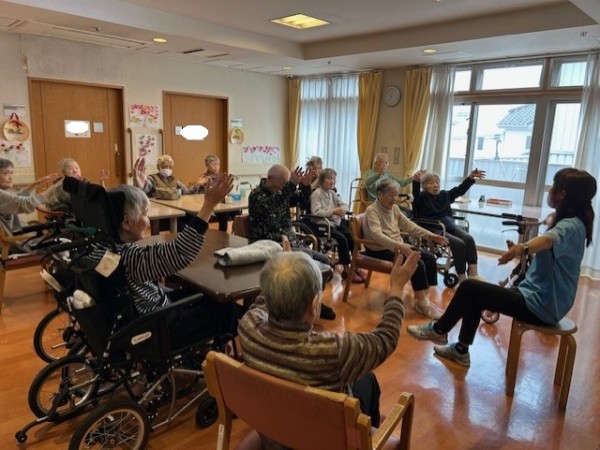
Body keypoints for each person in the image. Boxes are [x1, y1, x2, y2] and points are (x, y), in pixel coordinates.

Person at [407, 168, 596, 367]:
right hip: (540, 300)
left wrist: (520, 248)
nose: (549, 190)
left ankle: (439, 330)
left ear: (562, 194)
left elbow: (549, 240)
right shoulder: (574, 222)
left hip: (541, 306)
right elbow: (551, 239)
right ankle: (461, 350)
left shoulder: (570, 226)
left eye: (553, 187)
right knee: (476, 293)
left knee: (470, 287)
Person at [238, 244, 421, 448]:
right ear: (313, 305)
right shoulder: (334, 352)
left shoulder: (248, 327)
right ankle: (371, 430)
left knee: (365, 379)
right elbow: (385, 339)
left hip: (274, 438)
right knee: (367, 381)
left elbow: (262, 302)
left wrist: (283, 273)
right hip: (325, 443)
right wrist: (396, 289)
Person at [85, 175, 238, 350]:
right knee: (225, 306)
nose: (148, 221)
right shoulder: (130, 258)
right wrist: (209, 205)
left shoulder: (100, 247)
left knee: (204, 294)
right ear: (126, 222)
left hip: (141, 315)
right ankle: (223, 358)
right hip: (158, 326)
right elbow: (181, 252)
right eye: (144, 214)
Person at [248, 163, 336, 320]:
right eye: (282, 182)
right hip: (271, 244)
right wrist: (290, 186)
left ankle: (309, 301)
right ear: (269, 178)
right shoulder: (256, 195)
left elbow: (303, 202)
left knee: (325, 262)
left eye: (286, 183)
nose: (284, 186)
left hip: (292, 242)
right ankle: (301, 305)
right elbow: (272, 205)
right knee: (310, 262)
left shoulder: (282, 192)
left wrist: (305, 186)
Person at [363, 179, 450, 319]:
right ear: (379, 194)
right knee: (416, 263)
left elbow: (409, 226)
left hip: (397, 247)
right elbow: (376, 235)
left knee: (429, 259)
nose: (394, 199)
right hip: (379, 249)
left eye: (396, 194)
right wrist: (400, 246)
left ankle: (422, 300)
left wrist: (431, 235)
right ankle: (424, 304)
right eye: (391, 195)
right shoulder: (372, 210)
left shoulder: (395, 208)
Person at [412, 169, 486, 282]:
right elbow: (415, 194)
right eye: (431, 183)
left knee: (469, 239)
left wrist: (470, 178)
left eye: (437, 182)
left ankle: (473, 273)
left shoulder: (445, 195)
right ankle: (462, 277)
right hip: (433, 229)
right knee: (459, 244)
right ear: (425, 186)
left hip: (449, 227)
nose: (436, 185)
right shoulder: (422, 197)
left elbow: (460, 190)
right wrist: (416, 181)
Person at [310, 168, 365, 283]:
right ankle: (346, 269)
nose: (332, 181)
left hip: (334, 223)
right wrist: (334, 211)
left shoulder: (332, 193)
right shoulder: (316, 194)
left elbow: (344, 204)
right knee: (342, 239)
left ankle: (355, 265)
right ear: (322, 180)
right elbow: (316, 213)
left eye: (334, 179)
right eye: (329, 179)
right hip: (322, 224)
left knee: (352, 237)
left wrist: (342, 209)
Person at [0, 158, 59, 253]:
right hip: (19, 244)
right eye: (6, 173)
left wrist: (36, 183)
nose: (11, 177)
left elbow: (16, 198)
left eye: (11, 173)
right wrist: (56, 186)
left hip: (18, 239)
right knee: (62, 241)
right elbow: (25, 203)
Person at [191, 155, 240, 232]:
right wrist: (198, 184)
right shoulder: (204, 177)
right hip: (211, 204)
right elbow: (196, 193)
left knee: (237, 211)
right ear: (207, 165)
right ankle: (222, 234)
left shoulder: (221, 176)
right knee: (224, 214)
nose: (216, 167)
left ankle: (238, 231)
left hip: (223, 202)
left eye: (218, 164)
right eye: (213, 164)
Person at [45, 158, 109, 212]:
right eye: (70, 169)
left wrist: (101, 182)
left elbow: (100, 198)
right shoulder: (60, 185)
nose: (75, 171)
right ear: (64, 172)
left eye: (77, 168)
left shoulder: (84, 182)